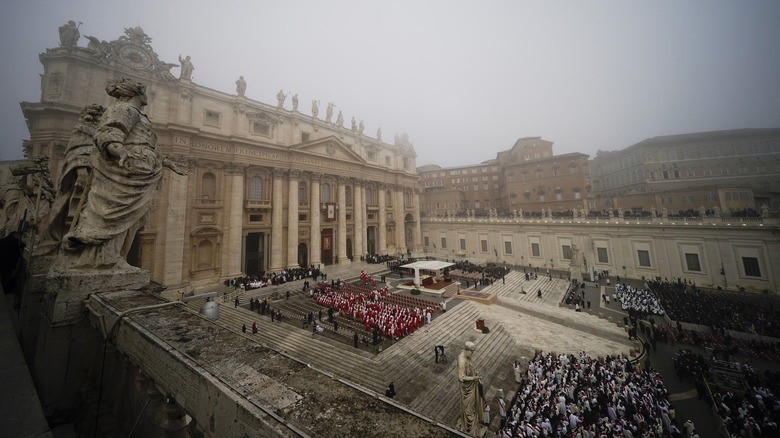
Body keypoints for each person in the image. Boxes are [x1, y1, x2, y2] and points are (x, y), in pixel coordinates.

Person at [61, 78, 187, 269]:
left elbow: (145, 144)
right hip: (126, 168)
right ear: (136, 93)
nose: (149, 95)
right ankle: (104, 259)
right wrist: (117, 148)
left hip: (142, 169)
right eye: (145, 91)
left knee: (134, 219)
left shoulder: (139, 115)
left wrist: (166, 161)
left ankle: (115, 258)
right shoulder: (123, 109)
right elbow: (109, 131)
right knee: (114, 216)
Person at [458, 341, 484, 434]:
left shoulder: (467, 357)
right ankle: (468, 426)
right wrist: (474, 378)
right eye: (471, 352)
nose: (472, 354)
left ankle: (471, 423)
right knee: (469, 408)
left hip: (471, 385)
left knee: (472, 406)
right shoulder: (462, 360)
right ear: (467, 350)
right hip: (466, 388)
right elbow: (461, 377)